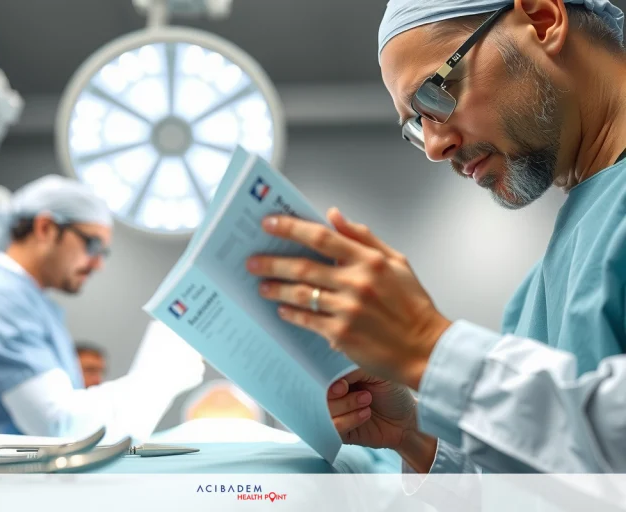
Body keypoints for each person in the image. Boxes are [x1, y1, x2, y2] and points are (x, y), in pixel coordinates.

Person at [245, 0, 626, 474]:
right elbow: (550, 486)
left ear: (543, 20)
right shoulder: (549, 276)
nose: (432, 146)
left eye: (433, 93)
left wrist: (429, 347)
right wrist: (414, 435)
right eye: (415, 123)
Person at [0, 175, 205, 441]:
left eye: (104, 253)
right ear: (45, 228)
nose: (98, 264)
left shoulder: (27, 300)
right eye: (92, 245)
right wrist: (161, 378)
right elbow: (59, 424)